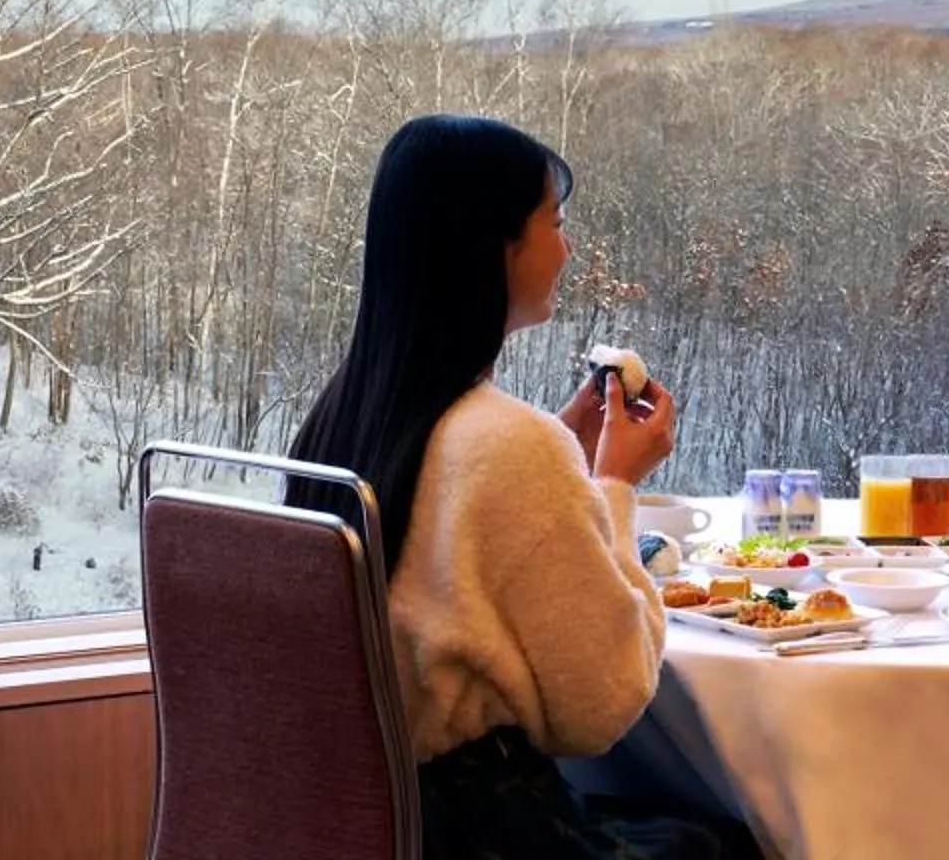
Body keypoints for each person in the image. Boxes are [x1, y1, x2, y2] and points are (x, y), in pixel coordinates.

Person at [290, 114, 759, 860]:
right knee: (733, 838)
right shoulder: (508, 443)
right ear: (495, 247)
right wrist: (613, 483)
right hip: (487, 834)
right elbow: (604, 705)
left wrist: (563, 452)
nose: (566, 250)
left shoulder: (345, 416)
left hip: (374, 822)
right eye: (555, 224)